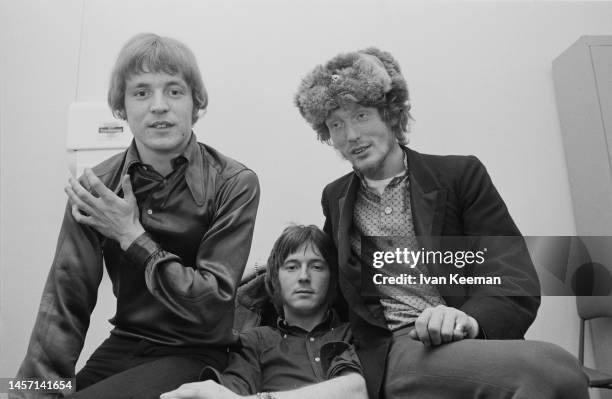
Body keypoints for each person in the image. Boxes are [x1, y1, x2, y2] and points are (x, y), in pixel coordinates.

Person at [294, 48, 589, 398]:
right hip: (391, 347)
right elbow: (328, 280)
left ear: (390, 113)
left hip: (463, 338)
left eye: (361, 115)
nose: (351, 136)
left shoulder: (459, 175)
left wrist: (469, 320)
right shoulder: (337, 197)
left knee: (555, 368)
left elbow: (513, 277)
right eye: (336, 124)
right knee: (551, 368)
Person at [13, 33, 260, 399]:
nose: (159, 106)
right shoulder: (97, 186)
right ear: (121, 107)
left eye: (174, 91)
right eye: (141, 92)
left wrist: (131, 235)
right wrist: (31, 392)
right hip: (125, 344)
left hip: (197, 351)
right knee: (24, 393)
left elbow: (211, 304)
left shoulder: (234, 182)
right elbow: (66, 299)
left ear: (196, 103)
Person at [160, 224, 366, 399]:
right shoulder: (255, 341)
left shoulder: (349, 333)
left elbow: (354, 391)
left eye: (317, 267)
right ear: (275, 279)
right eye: (292, 267)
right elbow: (232, 388)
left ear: (332, 279)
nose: (304, 276)